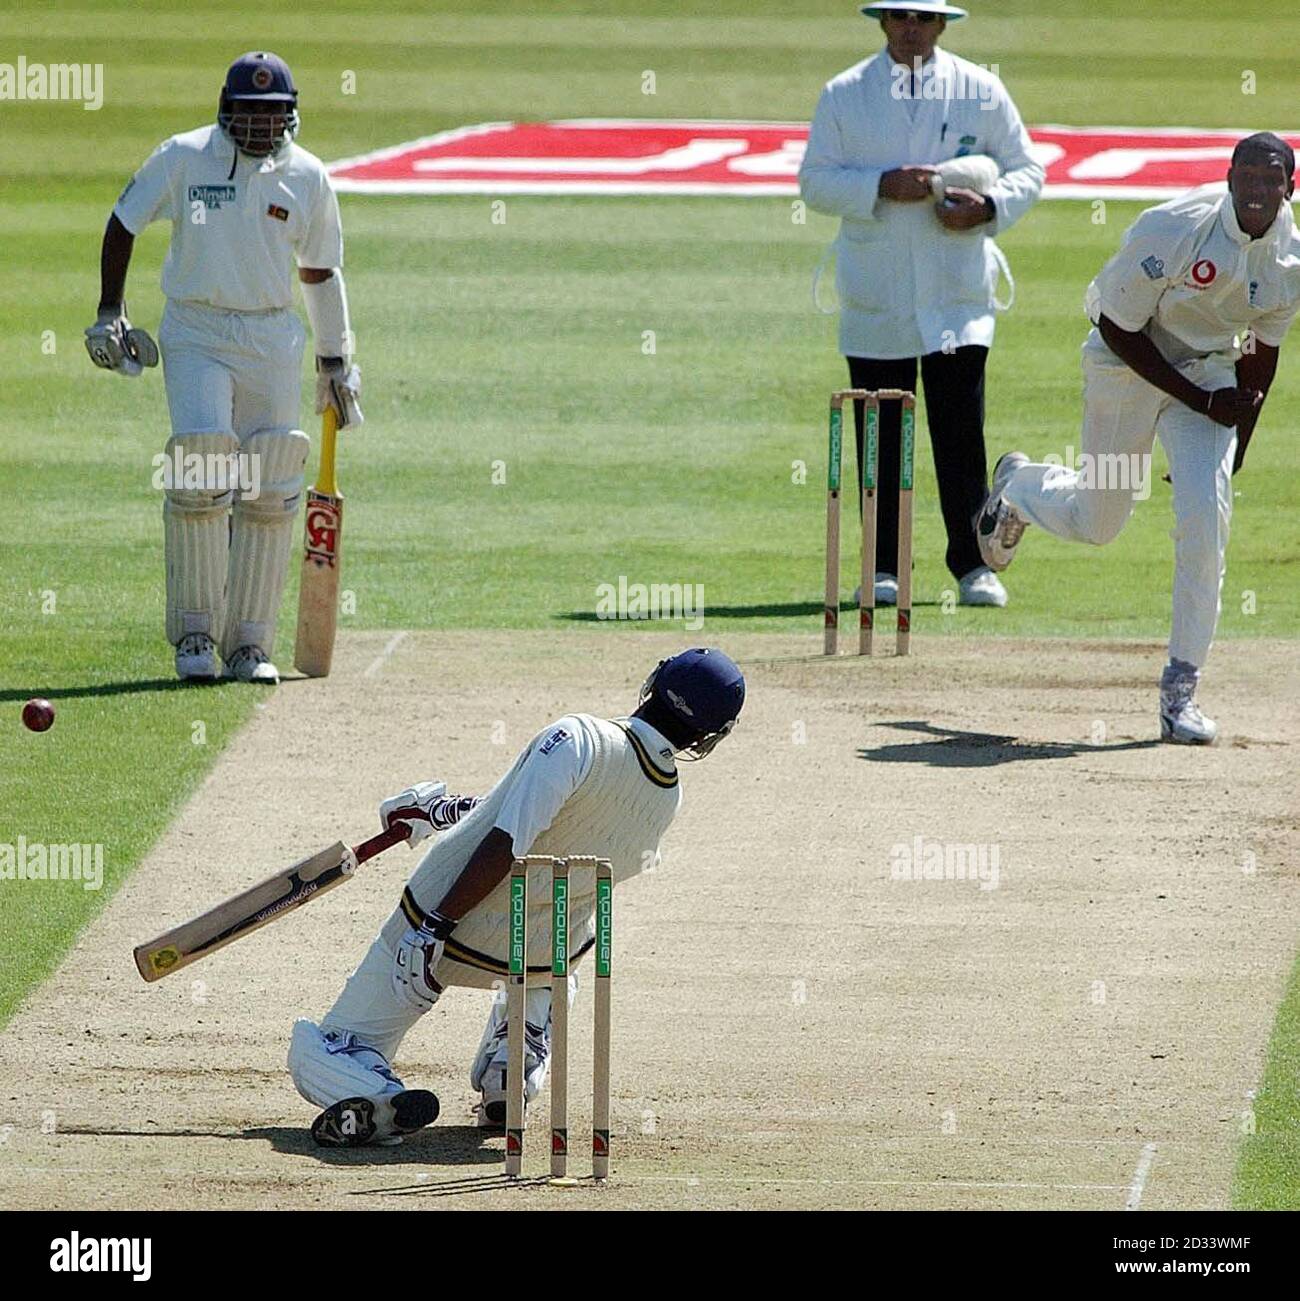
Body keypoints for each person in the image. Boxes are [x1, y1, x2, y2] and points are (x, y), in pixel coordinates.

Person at [286, 648, 746, 1146]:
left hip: (445, 925)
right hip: (538, 955)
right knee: (567, 945)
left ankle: (375, 1092)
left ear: (654, 681)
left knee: (324, 1048)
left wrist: (432, 928)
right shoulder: (664, 800)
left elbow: (508, 840)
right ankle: (510, 1069)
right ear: (707, 736)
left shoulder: (578, 736)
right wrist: (444, 811)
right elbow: (543, 826)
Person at [976, 134, 1300, 744]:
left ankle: (1181, 695)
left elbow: (1261, 355)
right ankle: (1018, 486)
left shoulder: (1291, 262)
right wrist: (1200, 400)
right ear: (1230, 177)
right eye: (1247, 176)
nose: (1257, 190)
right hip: (1127, 367)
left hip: (1207, 371)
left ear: (1290, 186)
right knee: (1101, 522)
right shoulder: (1173, 228)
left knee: (1207, 517)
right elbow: (1116, 326)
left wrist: (1236, 444)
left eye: (1271, 178)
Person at [86, 51, 362, 684]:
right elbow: (124, 222)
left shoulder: (308, 176)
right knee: (203, 461)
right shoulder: (184, 157)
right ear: (225, 110)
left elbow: (319, 272)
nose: (260, 126)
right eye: (248, 113)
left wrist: (336, 359)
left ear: (289, 118)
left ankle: (248, 645)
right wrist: (110, 310)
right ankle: (193, 637)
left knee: (269, 476)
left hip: (271, 333)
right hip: (197, 328)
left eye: (272, 115)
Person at [799, 2, 1043, 609]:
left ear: (943, 25)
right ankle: (884, 568)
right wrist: (881, 185)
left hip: (957, 294)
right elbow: (814, 180)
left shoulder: (980, 88)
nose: (912, 28)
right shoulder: (845, 92)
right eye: (901, 16)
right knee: (879, 429)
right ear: (882, 21)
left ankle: (974, 565)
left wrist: (986, 210)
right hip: (876, 292)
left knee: (960, 433)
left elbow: (1026, 169)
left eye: (925, 19)